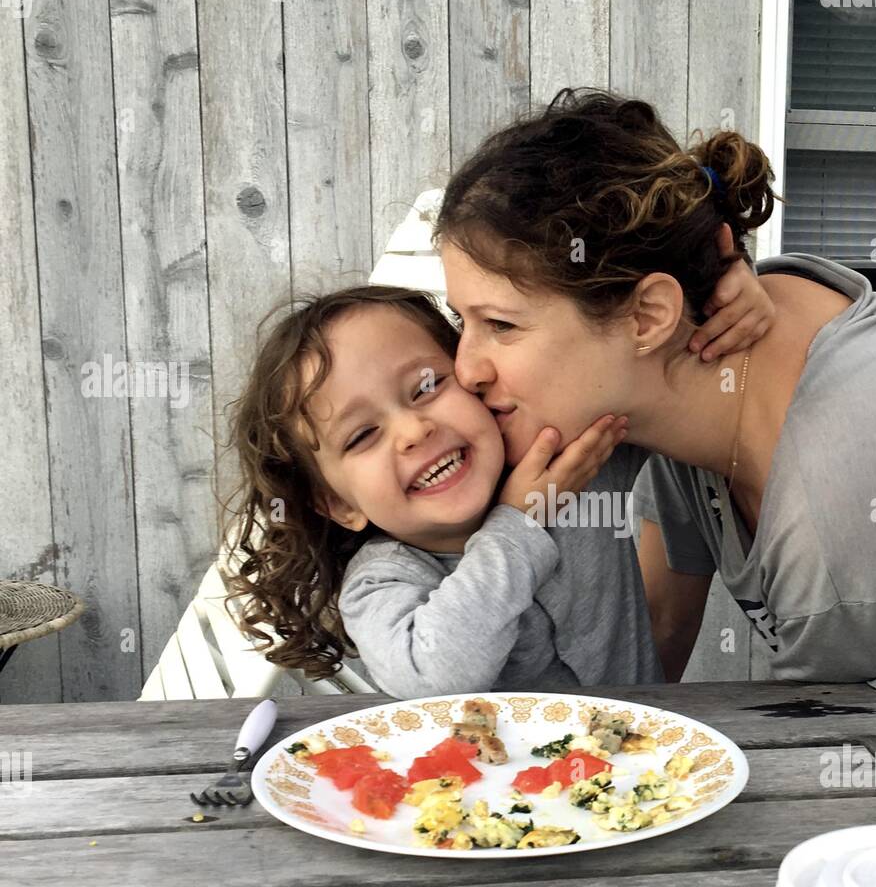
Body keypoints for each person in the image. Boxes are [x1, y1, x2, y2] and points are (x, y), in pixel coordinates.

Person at [435, 87, 876, 691]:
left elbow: (842, 764)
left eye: (499, 325)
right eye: (457, 320)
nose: (466, 369)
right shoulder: (706, 367)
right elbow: (648, 651)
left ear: (650, 314)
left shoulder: (838, 489)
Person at [220, 266, 773, 695]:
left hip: (639, 777)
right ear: (337, 503)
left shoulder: (568, 466)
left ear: (473, 374)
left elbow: (659, 379)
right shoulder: (381, 582)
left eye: (427, 386)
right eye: (362, 436)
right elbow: (436, 677)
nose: (413, 430)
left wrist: (722, 285)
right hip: (488, 816)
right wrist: (516, 526)